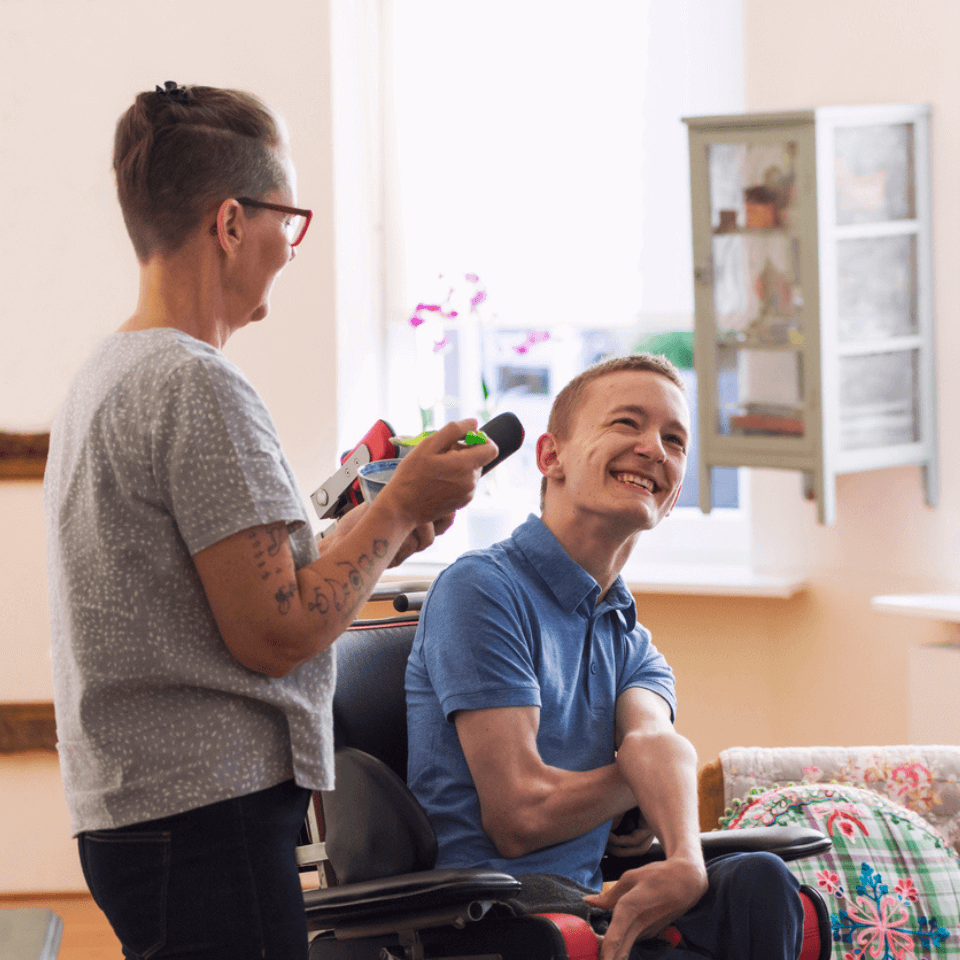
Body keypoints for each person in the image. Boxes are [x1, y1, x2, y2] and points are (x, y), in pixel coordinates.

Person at [43, 81, 497, 960]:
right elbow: (276, 629)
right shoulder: (196, 385)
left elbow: (238, 595)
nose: (291, 249)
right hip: (205, 814)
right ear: (229, 223)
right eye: (288, 222)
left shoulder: (110, 372)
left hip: (143, 809)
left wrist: (389, 529)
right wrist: (399, 503)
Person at [406, 354, 806, 960]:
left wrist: (685, 862)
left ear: (671, 497)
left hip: (583, 902)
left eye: (674, 439)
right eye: (626, 424)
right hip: (493, 913)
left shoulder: (629, 638)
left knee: (760, 882)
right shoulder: (481, 588)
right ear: (550, 457)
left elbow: (656, 742)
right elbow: (519, 816)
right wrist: (642, 786)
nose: (654, 448)